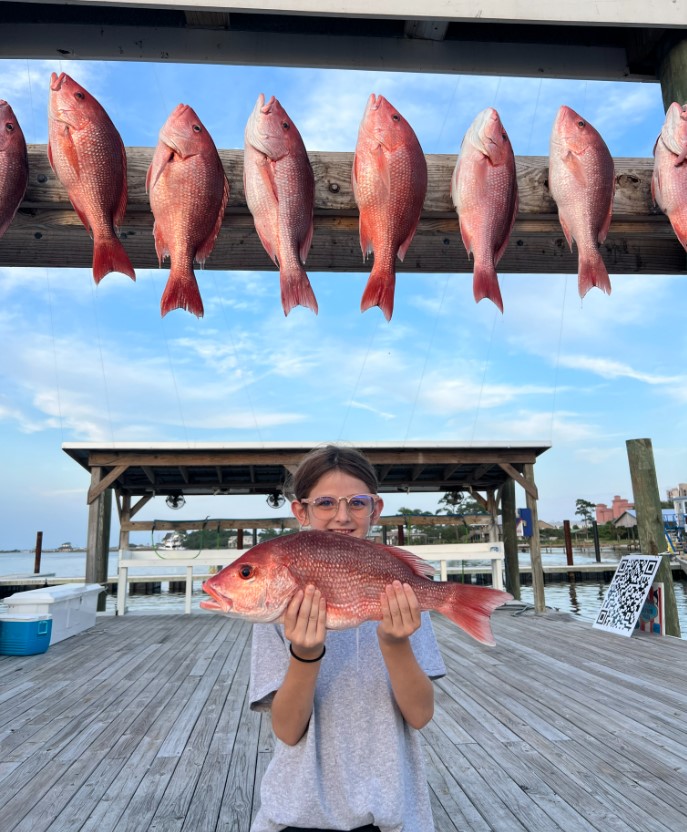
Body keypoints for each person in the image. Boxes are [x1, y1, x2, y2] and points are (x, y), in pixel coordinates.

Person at [249, 444, 446, 832]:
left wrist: (395, 643)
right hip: (296, 815)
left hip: (392, 817)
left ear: (376, 508)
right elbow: (287, 730)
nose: (342, 516)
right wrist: (305, 654)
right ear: (300, 511)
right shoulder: (277, 610)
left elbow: (420, 715)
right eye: (325, 503)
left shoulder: (399, 594)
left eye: (356, 503)